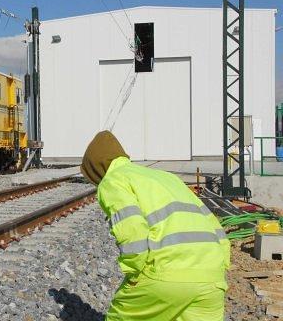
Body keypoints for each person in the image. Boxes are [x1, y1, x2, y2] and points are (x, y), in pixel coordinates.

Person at [80, 131, 230, 321]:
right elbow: (213, 224)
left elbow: (132, 229)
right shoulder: (167, 177)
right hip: (212, 278)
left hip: (165, 274)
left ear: (95, 168)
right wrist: (221, 265)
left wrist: (135, 272)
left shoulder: (113, 181)